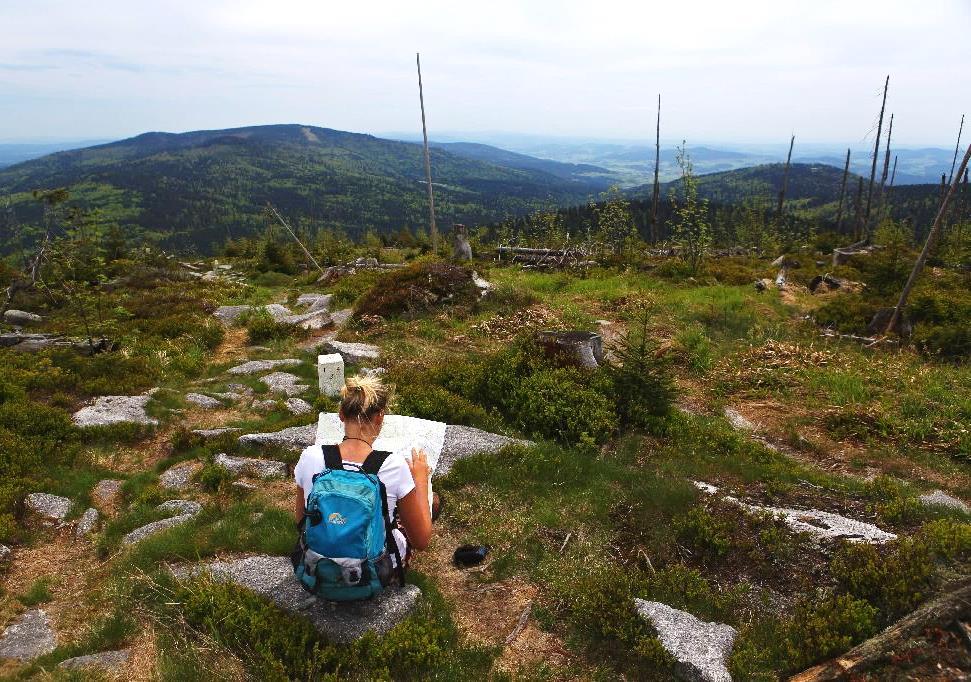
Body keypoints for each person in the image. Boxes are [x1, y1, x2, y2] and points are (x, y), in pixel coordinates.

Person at [293, 374, 434, 571]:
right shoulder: (393, 465)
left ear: (341, 414)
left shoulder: (310, 456)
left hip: (316, 565)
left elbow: (301, 521)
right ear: (380, 417)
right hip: (371, 572)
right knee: (430, 503)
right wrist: (420, 479)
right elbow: (422, 540)